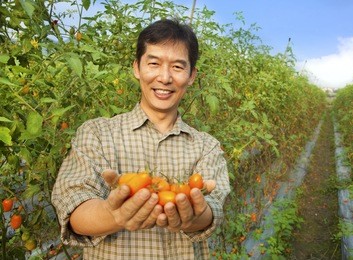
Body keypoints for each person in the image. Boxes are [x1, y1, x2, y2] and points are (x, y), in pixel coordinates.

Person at [51, 18, 231, 259]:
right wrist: (113, 214)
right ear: (136, 67)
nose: (165, 77)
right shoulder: (97, 134)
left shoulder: (206, 147)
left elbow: (214, 208)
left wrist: (196, 215)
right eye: (154, 63)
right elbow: (73, 206)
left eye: (178, 67)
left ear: (191, 75)